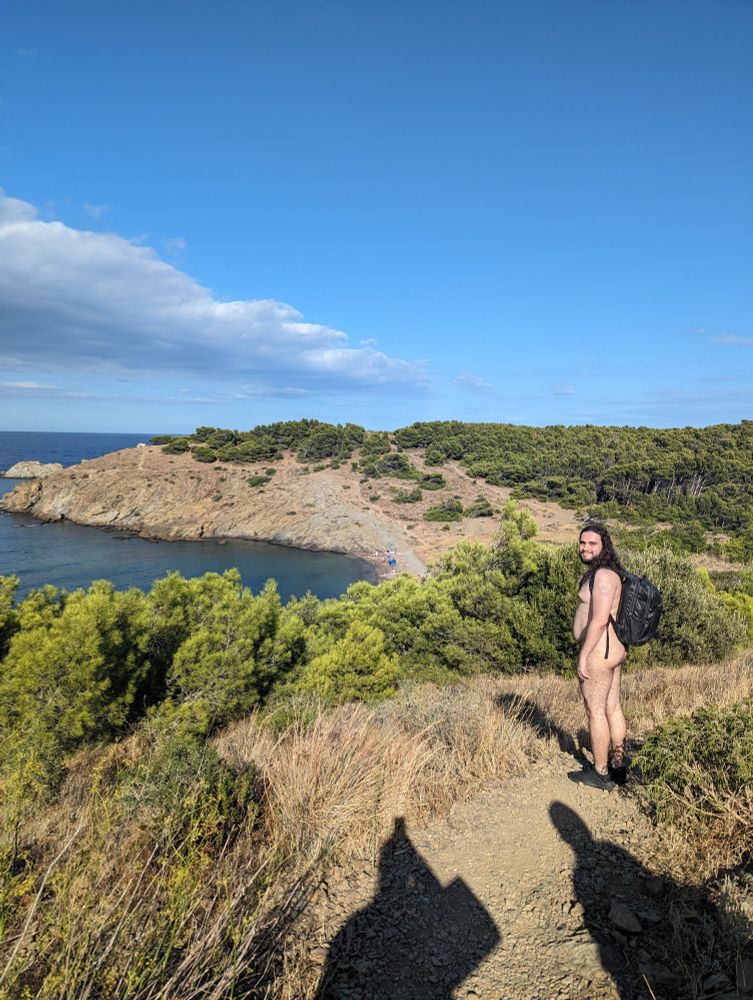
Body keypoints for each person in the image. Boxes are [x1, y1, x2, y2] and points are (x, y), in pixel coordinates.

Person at [570, 523, 627, 791]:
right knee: (612, 707)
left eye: (592, 543)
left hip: (598, 652)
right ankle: (618, 766)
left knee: (596, 711)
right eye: (582, 543)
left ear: (604, 545)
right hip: (612, 650)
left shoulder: (603, 576)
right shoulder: (608, 573)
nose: (585, 548)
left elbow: (599, 620)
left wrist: (583, 655)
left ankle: (601, 772)